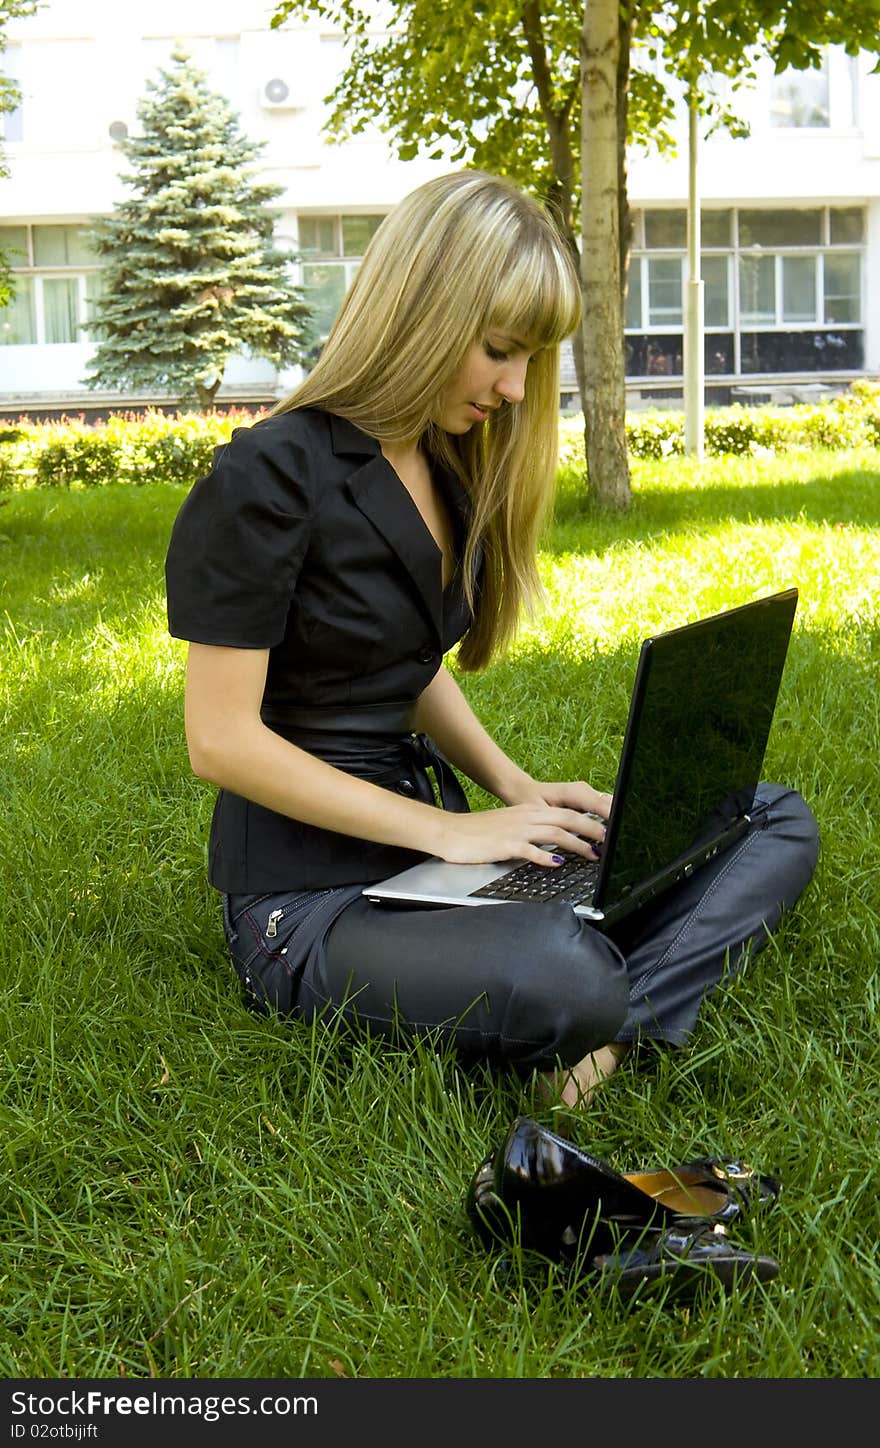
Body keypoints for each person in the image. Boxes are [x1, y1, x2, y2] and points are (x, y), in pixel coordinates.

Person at [164, 169, 819, 1112]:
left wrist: (514, 790)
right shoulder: (268, 474)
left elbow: (409, 664)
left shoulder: (442, 465)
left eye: (531, 361)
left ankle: (595, 1012)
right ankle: (598, 1010)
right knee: (566, 971)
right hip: (308, 903)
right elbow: (219, 741)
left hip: (439, 865)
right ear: (424, 309)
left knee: (765, 817)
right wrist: (454, 830)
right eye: (501, 350)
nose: (515, 389)